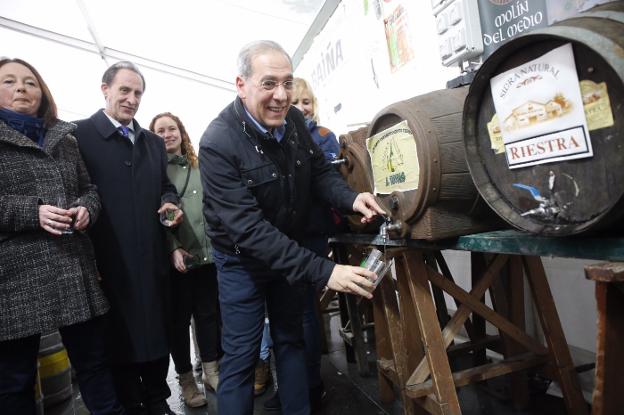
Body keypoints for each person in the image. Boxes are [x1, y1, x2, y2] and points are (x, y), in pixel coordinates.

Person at [199, 40, 385, 415]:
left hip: (289, 250)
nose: (281, 96)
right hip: (242, 262)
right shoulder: (218, 142)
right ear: (241, 84)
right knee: (241, 355)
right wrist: (325, 271)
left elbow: (319, 174)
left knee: (292, 341)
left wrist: (350, 198)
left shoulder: (296, 123)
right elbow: (249, 231)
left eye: (287, 83)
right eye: (268, 84)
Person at [0, 58, 124, 415]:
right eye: (9, 81)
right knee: (14, 381)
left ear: (42, 93)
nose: (22, 88)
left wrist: (87, 208)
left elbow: (90, 189)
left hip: (72, 267)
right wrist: (31, 211)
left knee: (95, 365)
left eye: (30, 82)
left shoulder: (64, 139)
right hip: (13, 279)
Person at [74, 61, 183, 415]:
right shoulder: (78, 136)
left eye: (138, 93)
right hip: (107, 258)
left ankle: (157, 397)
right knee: (117, 334)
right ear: (104, 89)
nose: (132, 99)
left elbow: (166, 187)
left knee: (156, 328)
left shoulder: (152, 142)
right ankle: (129, 400)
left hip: (151, 255)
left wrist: (169, 202)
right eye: (124, 90)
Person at [263, 77, 340, 413]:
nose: (301, 107)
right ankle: (295, 386)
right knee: (285, 316)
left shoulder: (322, 138)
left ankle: (310, 385)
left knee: (305, 314)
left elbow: (322, 182)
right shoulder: (274, 136)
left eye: (306, 102)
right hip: (283, 236)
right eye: (297, 102)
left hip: (309, 233)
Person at [149, 112, 221, 408]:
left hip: (208, 255)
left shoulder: (199, 165)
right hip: (178, 257)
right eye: (160, 130)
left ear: (182, 132)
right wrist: (173, 246)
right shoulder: (153, 171)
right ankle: (186, 381)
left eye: (172, 128)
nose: (167, 134)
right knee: (178, 322)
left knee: (207, 315)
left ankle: (212, 371)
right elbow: (155, 216)